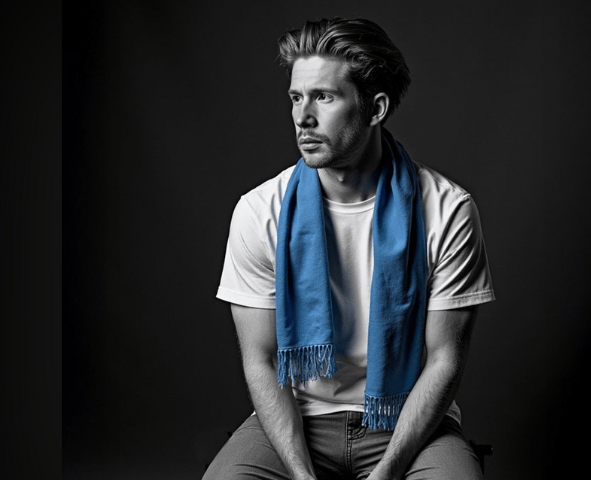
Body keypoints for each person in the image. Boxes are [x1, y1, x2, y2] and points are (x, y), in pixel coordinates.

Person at [205, 17, 495, 480]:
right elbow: (261, 359)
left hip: (406, 420)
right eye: (296, 97)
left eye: (324, 96)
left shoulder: (447, 210)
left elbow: (445, 360)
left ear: (375, 108)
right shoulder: (260, 211)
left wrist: (389, 470)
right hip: (296, 419)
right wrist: (300, 473)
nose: (303, 117)